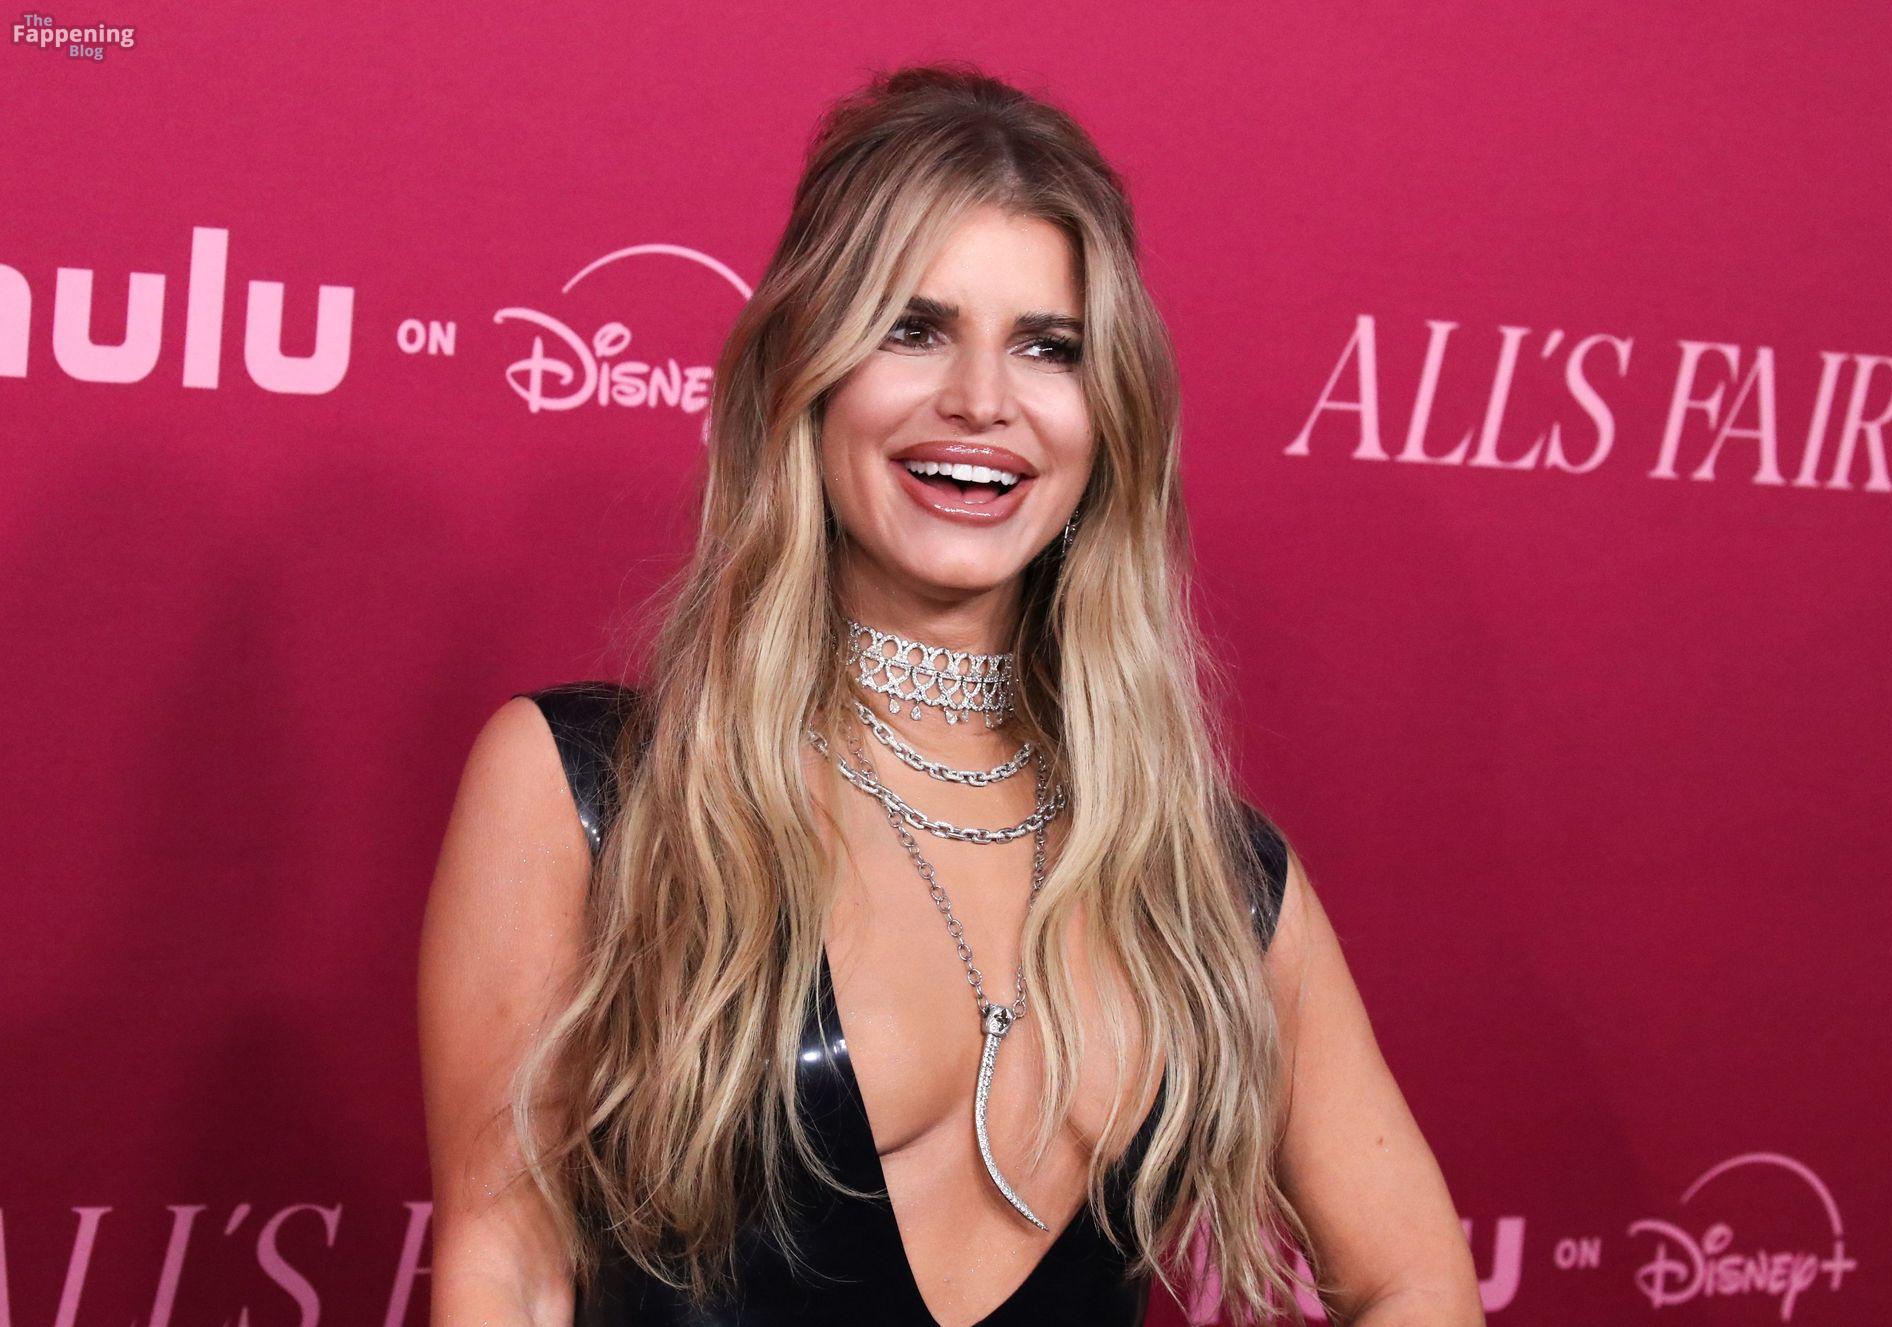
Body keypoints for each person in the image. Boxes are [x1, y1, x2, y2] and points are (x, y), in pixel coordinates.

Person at [418, 63, 1483, 1327]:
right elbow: (508, 1267)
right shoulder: (594, 791)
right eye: (912, 329)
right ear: (806, 374)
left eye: (1048, 347)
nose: (981, 400)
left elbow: (1416, 1281)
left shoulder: (1206, 876)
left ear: (1111, 417)